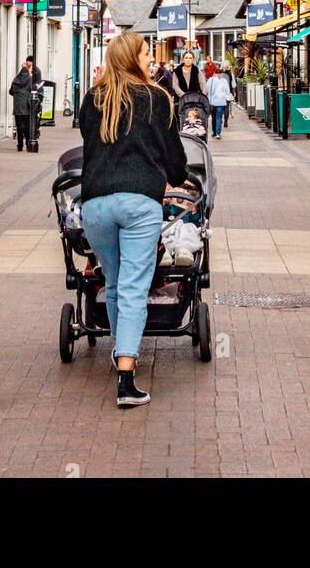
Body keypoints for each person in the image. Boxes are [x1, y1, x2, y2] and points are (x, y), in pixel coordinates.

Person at [79, 31, 188, 408]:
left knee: (113, 281)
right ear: (132, 58)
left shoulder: (93, 99)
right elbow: (175, 162)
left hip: (94, 205)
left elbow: (91, 147)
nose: (149, 60)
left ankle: (119, 353)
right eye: (145, 53)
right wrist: (175, 175)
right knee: (133, 288)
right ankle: (126, 375)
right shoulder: (157, 99)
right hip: (139, 203)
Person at [9, 56, 41, 152]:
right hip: (27, 107)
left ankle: (19, 145)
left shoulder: (15, 80)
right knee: (27, 126)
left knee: (19, 127)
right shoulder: (30, 80)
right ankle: (28, 143)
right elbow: (34, 90)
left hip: (17, 108)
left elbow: (10, 92)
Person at [206, 62, 233, 140]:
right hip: (220, 102)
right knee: (218, 117)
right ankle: (217, 133)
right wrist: (228, 99)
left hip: (213, 102)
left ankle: (215, 132)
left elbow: (207, 91)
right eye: (220, 73)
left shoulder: (211, 80)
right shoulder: (224, 81)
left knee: (214, 117)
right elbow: (227, 91)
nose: (220, 75)